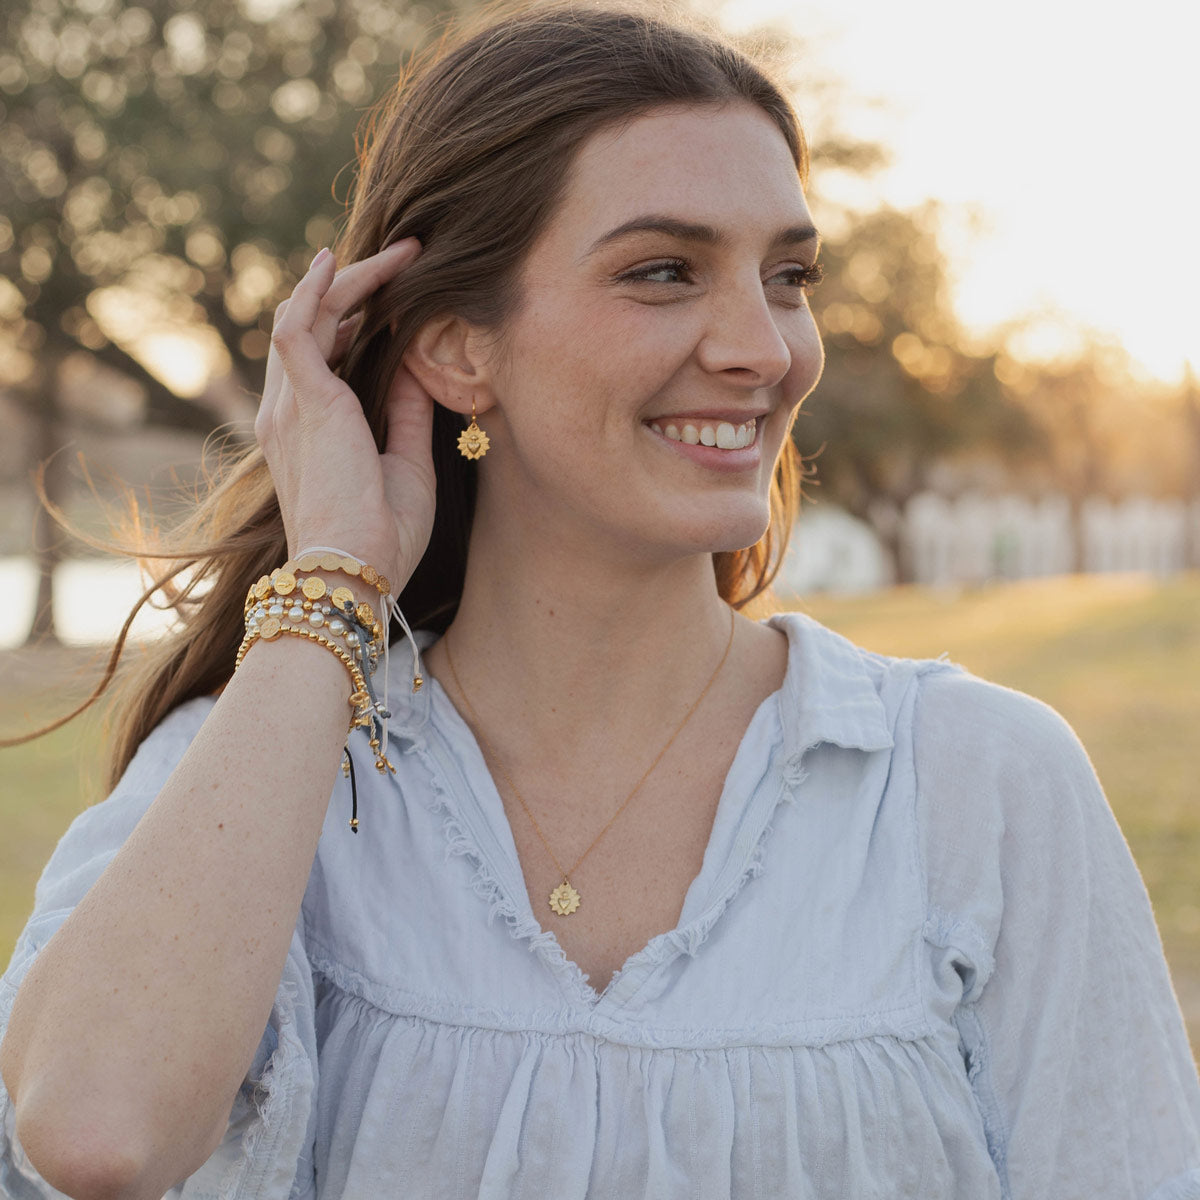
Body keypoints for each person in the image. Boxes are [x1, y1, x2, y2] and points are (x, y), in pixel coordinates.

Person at [2, 5, 1199, 1197]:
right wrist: (333, 577)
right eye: (663, 271)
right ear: (458, 348)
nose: (765, 349)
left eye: (787, 276)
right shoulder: (258, 769)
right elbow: (95, 1133)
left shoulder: (979, 783)